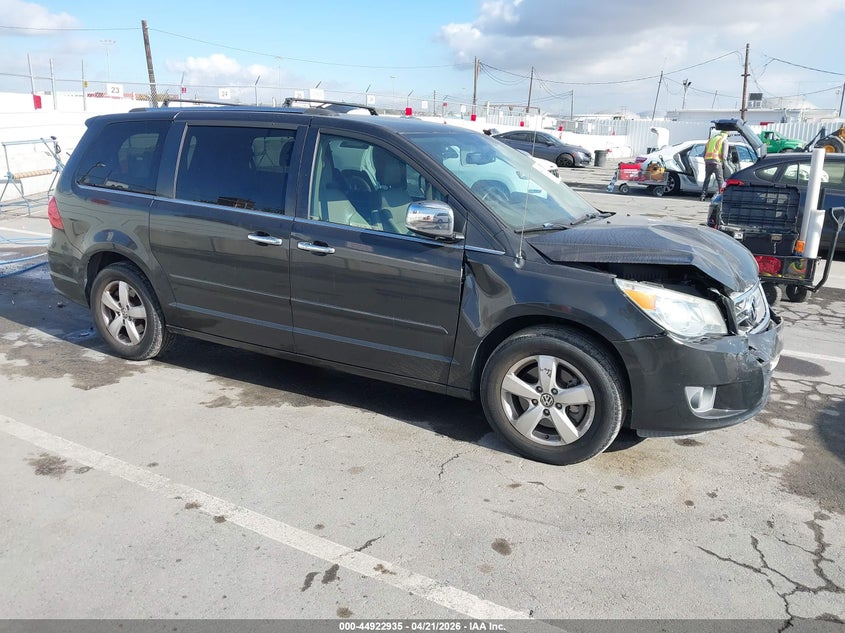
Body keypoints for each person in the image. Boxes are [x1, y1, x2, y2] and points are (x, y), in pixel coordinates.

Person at [700, 131, 729, 201]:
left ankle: (702, 196)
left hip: (708, 161)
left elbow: (704, 153)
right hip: (717, 162)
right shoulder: (724, 140)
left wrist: (706, 160)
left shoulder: (711, 140)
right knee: (720, 180)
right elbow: (724, 155)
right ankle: (721, 197)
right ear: (726, 134)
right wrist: (725, 165)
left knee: (707, 179)